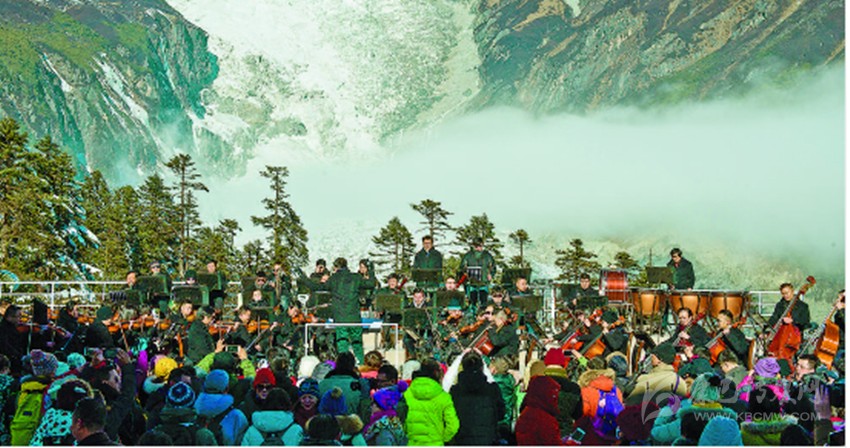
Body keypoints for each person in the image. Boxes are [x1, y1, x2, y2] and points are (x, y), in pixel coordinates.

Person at [299, 258, 376, 364]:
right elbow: (371, 284)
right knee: (357, 343)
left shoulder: (334, 279)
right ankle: (361, 364)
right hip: (354, 317)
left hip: (340, 317)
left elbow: (317, 287)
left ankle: (344, 365)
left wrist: (304, 279)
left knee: (342, 343)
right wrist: (371, 271)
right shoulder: (356, 277)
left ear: (336, 267)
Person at [397, 359, 459, 446]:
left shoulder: (407, 394)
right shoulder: (443, 397)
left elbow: (400, 420)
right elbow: (453, 425)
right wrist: (443, 438)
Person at [449, 352, 504, 445]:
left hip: (462, 439)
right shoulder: (492, 389)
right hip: (487, 439)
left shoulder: (455, 390)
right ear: (482, 367)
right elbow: (501, 414)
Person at [459, 238, 496, 308]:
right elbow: (462, 267)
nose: (479, 248)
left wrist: (491, 274)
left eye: (480, 246)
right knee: (472, 303)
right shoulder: (468, 256)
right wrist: (466, 273)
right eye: (476, 246)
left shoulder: (487, 255)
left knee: (484, 303)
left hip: (484, 283)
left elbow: (493, 267)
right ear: (473, 246)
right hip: (472, 283)